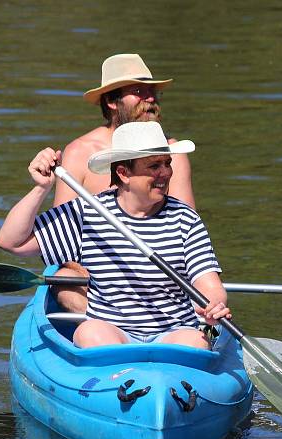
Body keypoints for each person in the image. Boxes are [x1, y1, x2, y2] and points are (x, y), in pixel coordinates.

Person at [0, 121, 229, 350]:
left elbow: (208, 283)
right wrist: (41, 188)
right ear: (123, 173)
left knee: (196, 342)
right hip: (113, 331)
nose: (166, 173)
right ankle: (116, 379)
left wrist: (214, 304)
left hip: (174, 332)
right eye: (154, 166)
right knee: (89, 332)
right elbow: (12, 242)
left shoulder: (185, 218)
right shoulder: (88, 212)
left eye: (167, 163)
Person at [51, 53, 194, 313]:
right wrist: (82, 271)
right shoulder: (80, 152)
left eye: (152, 92)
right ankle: (109, 330)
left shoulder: (172, 152)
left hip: (160, 274)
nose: (149, 99)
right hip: (95, 277)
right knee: (65, 279)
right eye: (139, 91)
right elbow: (62, 240)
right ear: (111, 101)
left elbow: (189, 230)